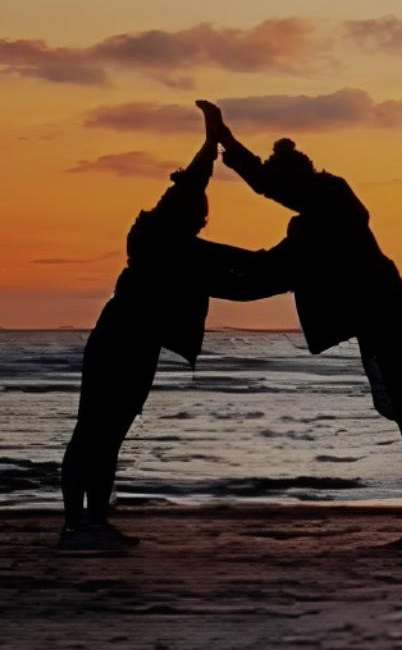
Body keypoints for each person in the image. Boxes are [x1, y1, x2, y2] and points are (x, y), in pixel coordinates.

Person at [200, 100, 402, 547]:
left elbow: (266, 191)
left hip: (387, 315)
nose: (274, 192)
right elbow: (264, 273)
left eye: (282, 185)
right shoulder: (314, 225)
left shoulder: (334, 198)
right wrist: (199, 268)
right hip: (384, 317)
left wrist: (227, 143)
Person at [58, 135, 275, 553]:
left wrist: (211, 145)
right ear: (187, 220)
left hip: (127, 345)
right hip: (122, 345)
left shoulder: (153, 234)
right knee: (94, 433)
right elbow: (244, 263)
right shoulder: (172, 244)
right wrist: (286, 266)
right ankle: (76, 526)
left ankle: (92, 523)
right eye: (198, 221)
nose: (200, 226)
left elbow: (190, 187)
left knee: (105, 434)